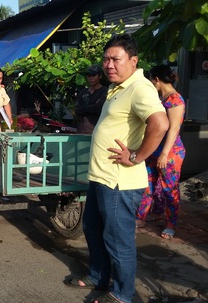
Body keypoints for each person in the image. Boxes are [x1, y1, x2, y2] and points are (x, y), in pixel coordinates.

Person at [64, 34, 169, 303]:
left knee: (118, 241)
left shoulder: (140, 88)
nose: (109, 65)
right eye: (106, 59)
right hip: (101, 178)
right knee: (92, 229)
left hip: (120, 182)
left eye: (116, 59)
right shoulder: (116, 87)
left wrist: (136, 156)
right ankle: (99, 277)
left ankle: (123, 294)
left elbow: (160, 124)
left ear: (133, 61)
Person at [135, 65, 186, 240]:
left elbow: (173, 129)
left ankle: (171, 224)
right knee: (147, 185)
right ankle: (140, 217)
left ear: (156, 79)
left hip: (170, 153)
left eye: (151, 79)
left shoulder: (175, 100)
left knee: (169, 189)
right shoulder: (160, 98)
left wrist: (164, 153)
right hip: (153, 149)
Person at [74, 64, 108, 134]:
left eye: (93, 75)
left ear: (100, 76)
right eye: (88, 75)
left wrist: (84, 108)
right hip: (82, 130)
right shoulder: (83, 92)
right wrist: (92, 107)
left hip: (97, 131)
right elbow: (77, 110)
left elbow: (99, 108)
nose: (90, 78)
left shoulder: (104, 91)